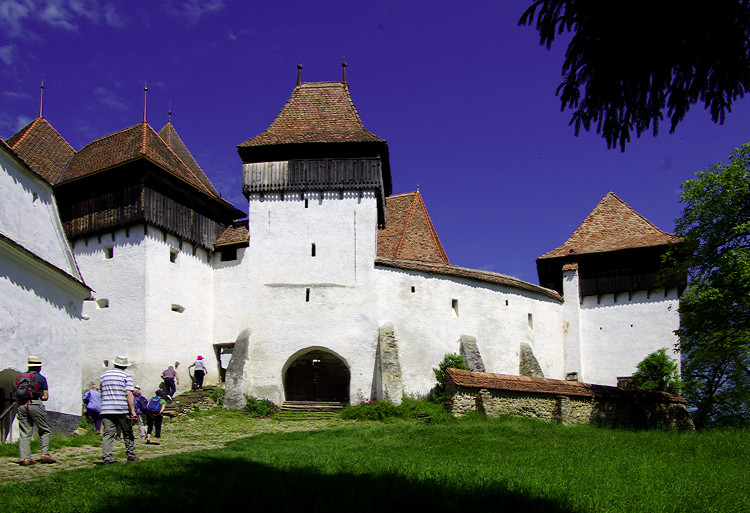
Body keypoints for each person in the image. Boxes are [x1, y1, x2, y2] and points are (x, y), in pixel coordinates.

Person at [14, 356, 56, 466]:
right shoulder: (41, 378)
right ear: (38, 367)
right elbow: (45, 397)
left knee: (24, 432)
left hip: (21, 405)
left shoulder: (21, 377)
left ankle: (25, 458)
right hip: (35, 404)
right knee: (45, 430)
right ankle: (44, 454)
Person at [98, 355, 139, 464]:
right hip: (120, 408)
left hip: (106, 409)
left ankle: (107, 457)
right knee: (127, 432)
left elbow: (102, 392)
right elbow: (129, 393)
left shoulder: (104, 375)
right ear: (125, 366)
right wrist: (133, 411)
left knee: (108, 434)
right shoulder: (126, 376)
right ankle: (131, 455)